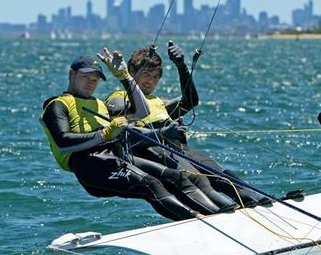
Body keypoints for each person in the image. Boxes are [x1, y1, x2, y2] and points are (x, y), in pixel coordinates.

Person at [40, 49, 226, 220]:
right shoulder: (58, 104)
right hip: (87, 164)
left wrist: (124, 77)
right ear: (71, 74)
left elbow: (142, 112)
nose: (91, 83)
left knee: (173, 176)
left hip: (115, 156)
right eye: (86, 77)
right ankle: (199, 219)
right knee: (149, 185)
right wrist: (104, 134)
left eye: (95, 79)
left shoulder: (99, 104)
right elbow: (63, 142)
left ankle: (218, 215)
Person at [105, 42, 271, 208]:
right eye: (147, 74)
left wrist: (181, 66)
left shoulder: (158, 101)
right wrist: (161, 130)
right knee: (199, 179)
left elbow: (191, 101)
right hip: (155, 151)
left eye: (156, 77)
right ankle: (227, 209)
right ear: (131, 72)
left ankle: (259, 199)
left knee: (218, 171)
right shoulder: (118, 97)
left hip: (181, 149)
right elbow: (122, 126)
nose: (150, 81)